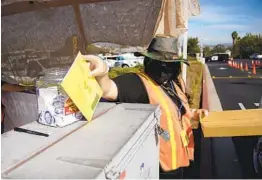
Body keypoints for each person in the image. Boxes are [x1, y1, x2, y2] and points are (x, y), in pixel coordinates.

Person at [83, 37, 208, 178]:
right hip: (160, 167)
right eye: (158, 64)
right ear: (148, 61)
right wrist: (102, 73)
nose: (163, 70)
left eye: (169, 65)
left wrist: (194, 113)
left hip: (181, 158)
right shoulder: (137, 83)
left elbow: (177, 111)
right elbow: (109, 90)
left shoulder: (173, 83)